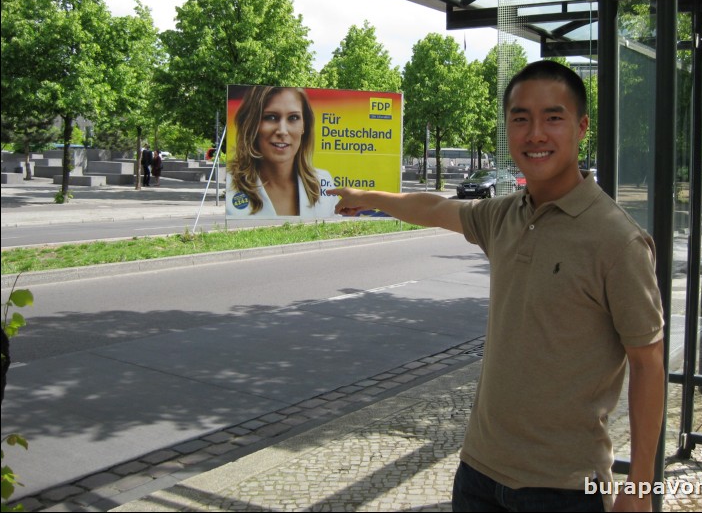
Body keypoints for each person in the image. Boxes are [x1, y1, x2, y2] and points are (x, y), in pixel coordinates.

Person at [330, 60, 665, 512]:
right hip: (478, 474)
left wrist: (640, 487)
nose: (536, 133)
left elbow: (648, 364)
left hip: (562, 488)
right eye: (520, 118)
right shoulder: (505, 215)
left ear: (581, 127)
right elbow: (433, 208)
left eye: (553, 117)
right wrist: (367, 198)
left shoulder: (618, 240)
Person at [226, 86, 338, 219]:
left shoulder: (323, 181)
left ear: (304, 126)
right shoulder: (229, 185)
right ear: (252, 125)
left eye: (293, 118)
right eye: (271, 117)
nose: (282, 131)